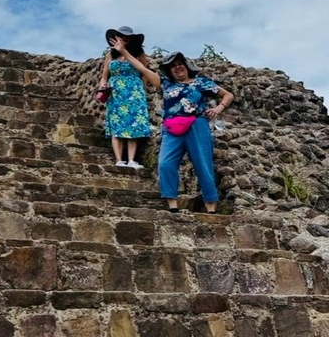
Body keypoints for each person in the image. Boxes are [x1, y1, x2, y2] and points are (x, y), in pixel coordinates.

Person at [157, 52, 234, 214]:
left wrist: (219, 108)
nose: (177, 67)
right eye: (172, 66)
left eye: (180, 63)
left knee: (203, 164)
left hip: (197, 124)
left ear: (186, 66)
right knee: (165, 163)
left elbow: (228, 95)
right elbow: (142, 68)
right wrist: (124, 52)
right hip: (172, 126)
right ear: (169, 71)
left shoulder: (201, 82)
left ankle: (211, 207)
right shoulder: (166, 84)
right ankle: (172, 204)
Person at [99, 26, 154, 169]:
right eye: (120, 36)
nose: (123, 38)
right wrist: (103, 86)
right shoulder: (110, 55)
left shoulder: (139, 54)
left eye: (126, 36)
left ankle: (131, 160)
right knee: (117, 124)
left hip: (134, 91)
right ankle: (119, 160)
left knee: (134, 124)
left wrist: (142, 90)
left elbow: (144, 73)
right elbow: (105, 76)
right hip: (116, 92)